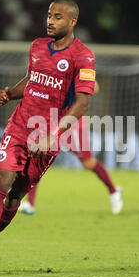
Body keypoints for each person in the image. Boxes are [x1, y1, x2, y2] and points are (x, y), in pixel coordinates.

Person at [0, 0, 97, 273]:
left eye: (58, 17)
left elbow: (83, 103)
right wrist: (10, 94)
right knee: (3, 178)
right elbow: (32, 78)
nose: (50, 21)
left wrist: (54, 134)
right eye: (49, 15)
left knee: (14, 197)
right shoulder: (37, 46)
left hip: (48, 136)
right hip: (19, 126)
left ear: (72, 21)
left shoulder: (83, 56)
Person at [19, 81, 123, 215]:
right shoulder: (52, 66)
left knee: (88, 163)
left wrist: (72, 88)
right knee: (38, 156)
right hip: (53, 118)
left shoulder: (79, 66)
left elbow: (95, 87)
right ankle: (30, 203)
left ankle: (114, 191)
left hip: (73, 121)